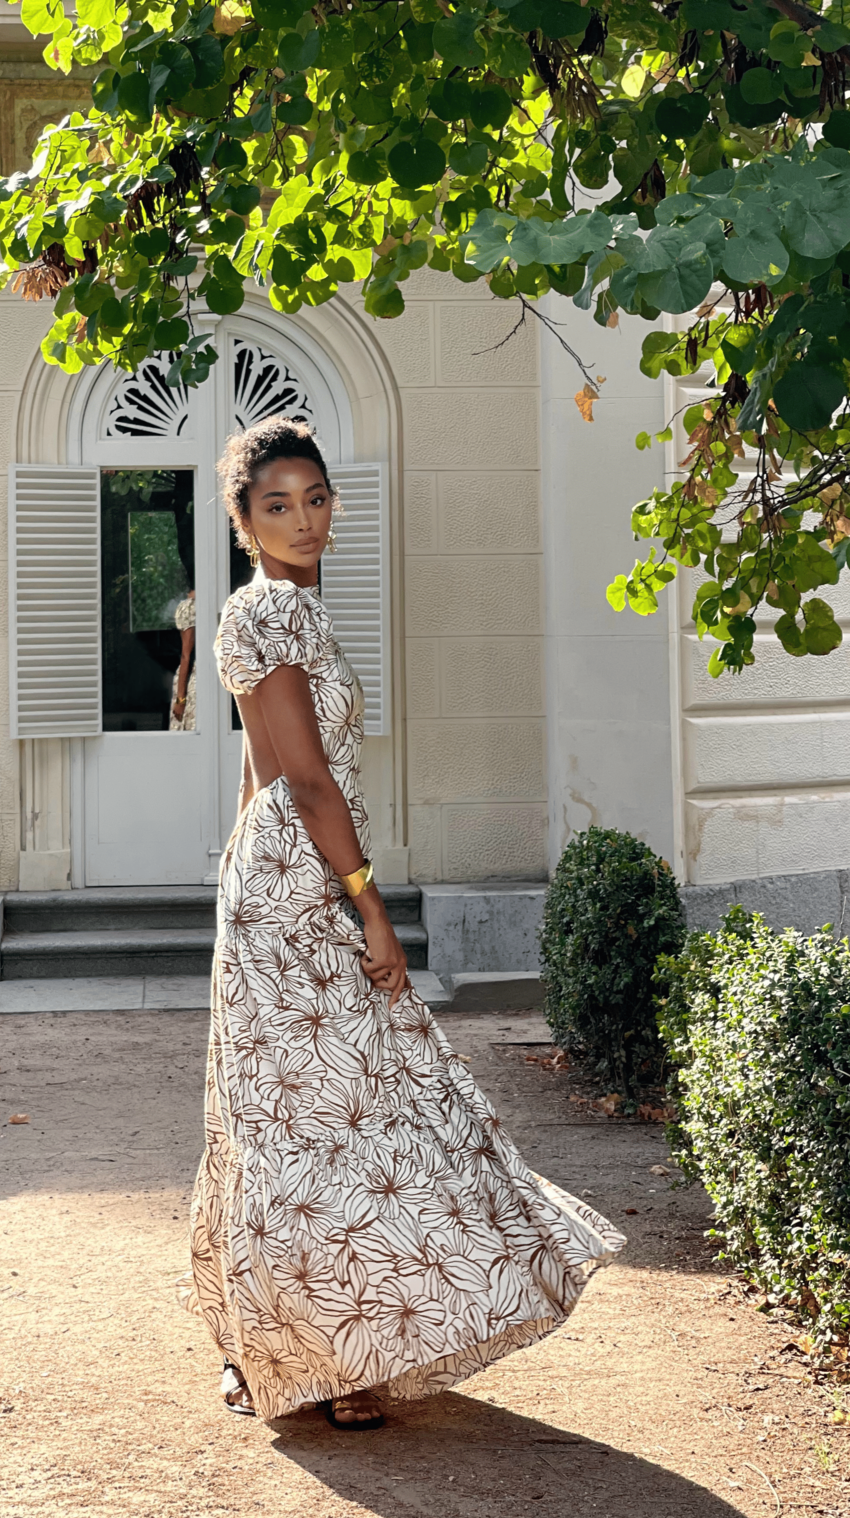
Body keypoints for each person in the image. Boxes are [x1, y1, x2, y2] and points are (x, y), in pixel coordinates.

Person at [182, 416, 626, 1430]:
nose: (301, 519)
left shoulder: (300, 613)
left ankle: (339, 1347)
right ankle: (280, 1347)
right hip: (298, 890)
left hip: (286, 874)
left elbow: (264, 770)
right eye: (276, 505)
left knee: (349, 1119)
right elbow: (299, 776)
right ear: (242, 521)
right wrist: (368, 905)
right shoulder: (259, 615)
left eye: (315, 498)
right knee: (287, 1122)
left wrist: (246, 869)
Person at [169, 589, 196, 731]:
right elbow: (187, 654)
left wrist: (181, 699)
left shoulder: (192, 607)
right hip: (192, 680)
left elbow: (186, 654)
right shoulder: (191, 607)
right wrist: (181, 698)